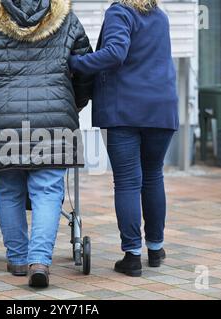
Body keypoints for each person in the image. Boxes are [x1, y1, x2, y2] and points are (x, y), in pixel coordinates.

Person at [0, 0, 93, 288]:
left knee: (8, 188)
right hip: (53, 118)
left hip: (3, 118)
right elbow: (85, 67)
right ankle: (39, 261)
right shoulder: (66, 20)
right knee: (48, 190)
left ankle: (17, 259)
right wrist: (76, 102)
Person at [69, 0, 179, 277]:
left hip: (125, 110)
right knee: (153, 175)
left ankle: (132, 256)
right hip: (161, 109)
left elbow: (115, 53)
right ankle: (155, 249)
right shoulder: (160, 17)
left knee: (128, 180)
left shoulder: (120, 12)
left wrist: (76, 63)